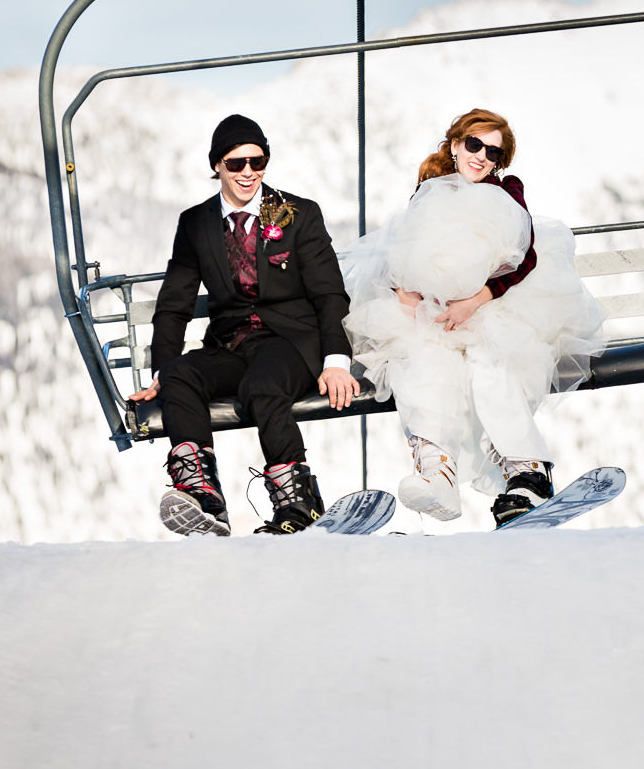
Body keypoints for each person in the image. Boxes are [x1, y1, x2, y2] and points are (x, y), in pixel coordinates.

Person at [341, 108, 605, 526]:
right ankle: (437, 474)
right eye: (474, 145)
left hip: (496, 303)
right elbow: (409, 251)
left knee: (489, 362)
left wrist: (478, 298)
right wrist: (403, 290)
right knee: (421, 359)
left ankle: (527, 473)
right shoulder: (429, 191)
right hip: (440, 311)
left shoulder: (506, 191)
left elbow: (526, 253)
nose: (481, 157)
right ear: (456, 144)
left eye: (493, 152)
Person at [129, 114, 359, 536]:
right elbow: (175, 303)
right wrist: (161, 370)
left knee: (262, 387)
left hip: (290, 341)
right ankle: (202, 496)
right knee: (180, 374)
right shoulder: (196, 223)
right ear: (218, 165)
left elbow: (329, 293)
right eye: (237, 164)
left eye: (258, 162)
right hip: (232, 343)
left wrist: (336, 360)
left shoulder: (298, 214)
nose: (248, 173)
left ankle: (297, 503)